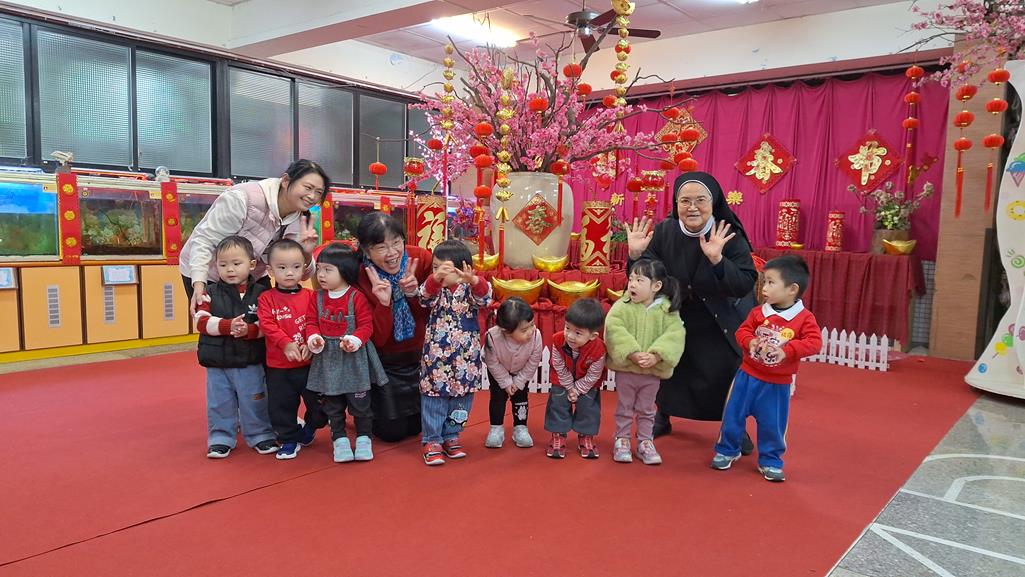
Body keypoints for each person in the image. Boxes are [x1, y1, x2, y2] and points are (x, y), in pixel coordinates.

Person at [624, 171, 758, 452]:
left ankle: (735, 427)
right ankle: (662, 415)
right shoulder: (665, 231)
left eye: (700, 200)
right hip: (678, 314)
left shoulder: (728, 233)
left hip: (720, 318)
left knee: (726, 373)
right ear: (676, 203)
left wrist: (718, 260)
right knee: (668, 367)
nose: (692, 207)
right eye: (685, 200)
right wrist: (636, 256)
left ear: (714, 202)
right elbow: (645, 278)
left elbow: (745, 282)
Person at [711, 255, 822, 482]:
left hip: (777, 384)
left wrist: (787, 351)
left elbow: (814, 342)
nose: (764, 288)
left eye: (771, 282)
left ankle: (771, 460)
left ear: (792, 289)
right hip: (746, 376)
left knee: (773, 424)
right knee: (732, 415)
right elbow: (742, 331)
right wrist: (750, 341)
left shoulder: (804, 318)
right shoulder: (759, 312)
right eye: (764, 281)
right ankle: (727, 450)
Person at [180, 159, 328, 316]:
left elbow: (303, 274)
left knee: (263, 322)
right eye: (308, 188)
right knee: (221, 326)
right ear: (285, 181)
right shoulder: (243, 198)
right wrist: (199, 284)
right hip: (209, 271)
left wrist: (306, 253)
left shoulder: (301, 220)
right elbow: (204, 241)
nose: (312, 196)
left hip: (254, 274)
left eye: (319, 192)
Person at [193, 236, 278, 459]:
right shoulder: (209, 292)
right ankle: (220, 437)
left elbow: (267, 325)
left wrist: (249, 330)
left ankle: (260, 434)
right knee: (219, 402)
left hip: (249, 360)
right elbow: (200, 321)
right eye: (223, 264)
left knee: (255, 398)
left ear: (252, 264)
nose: (230, 269)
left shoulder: (262, 293)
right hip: (217, 361)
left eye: (236, 263)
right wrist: (227, 326)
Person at [305, 242, 389, 463]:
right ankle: (339, 439)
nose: (321, 275)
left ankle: (364, 438)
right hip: (328, 359)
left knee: (361, 404)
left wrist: (355, 339)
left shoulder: (356, 297)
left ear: (345, 271)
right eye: (319, 269)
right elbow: (311, 322)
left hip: (354, 360)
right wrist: (313, 338)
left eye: (328, 270)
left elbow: (366, 326)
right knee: (332, 404)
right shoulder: (316, 298)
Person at [356, 212, 433, 442]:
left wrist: (414, 294)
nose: (392, 253)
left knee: (416, 428)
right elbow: (376, 339)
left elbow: (431, 315)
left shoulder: (421, 260)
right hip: (383, 363)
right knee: (392, 433)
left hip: (419, 358)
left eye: (396, 242)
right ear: (366, 250)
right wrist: (383, 304)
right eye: (381, 247)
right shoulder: (359, 274)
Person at [604, 259, 686, 465]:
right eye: (631, 279)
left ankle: (645, 442)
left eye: (639, 280)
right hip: (626, 370)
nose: (632, 284)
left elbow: (675, 334)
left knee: (647, 409)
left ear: (656, 286)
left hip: (651, 372)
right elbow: (613, 328)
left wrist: (656, 355)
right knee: (624, 406)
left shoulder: (667, 309)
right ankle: (622, 439)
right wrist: (631, 353)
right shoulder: (622, 306)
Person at [417, 240, 492, 466]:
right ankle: (432, 440)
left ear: (462, 269)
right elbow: (423, 298)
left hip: (465, 357)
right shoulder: (434, 288)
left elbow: (486, 298)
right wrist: (435, 278)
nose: (440, 272)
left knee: (462, 399)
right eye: (436, 267)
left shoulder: (470, 289)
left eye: (446, 268)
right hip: (436, 356)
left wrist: (474, 280)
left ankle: (451, 435)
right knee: (434, 397)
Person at [256, 239, 328, 460]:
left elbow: (318, 323)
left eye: (296, 267)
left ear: (304, 269)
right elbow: (267, 324)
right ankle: (288, 439)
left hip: (309, 366)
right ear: (270, 270)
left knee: (321, 406)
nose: (289, 273)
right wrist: (285, 343)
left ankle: (310, 428)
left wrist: (311, 343)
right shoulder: (266, 298)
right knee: (281, 407)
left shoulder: (311, 297)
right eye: (282, 267)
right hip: (279, 367)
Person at [545, 298, 607, 460]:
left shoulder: (599, 349)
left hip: (587, 383)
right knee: (557, 403)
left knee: (589, 406)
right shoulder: (558, 340)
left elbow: (594, 374)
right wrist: (569, 387)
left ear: (593, 335)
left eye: (578, 333)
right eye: (567, 328)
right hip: (562, 379)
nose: (570, 336)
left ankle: (586, 436)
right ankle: (558, 435)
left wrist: (577, 390)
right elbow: (558, 365)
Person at [483, 297, 544, 449]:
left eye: (532, 325)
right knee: (497, 398)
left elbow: (533, 361)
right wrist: (505, 382)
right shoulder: (492, 337)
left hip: (521, 372)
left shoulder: (536, 336)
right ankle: (496, 428)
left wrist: (519, 382)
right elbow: (492, 362)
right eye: (524, 330)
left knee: (521, 398)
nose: (530, 331)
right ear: (506, 331)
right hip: (499, 372)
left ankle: (520, 428)